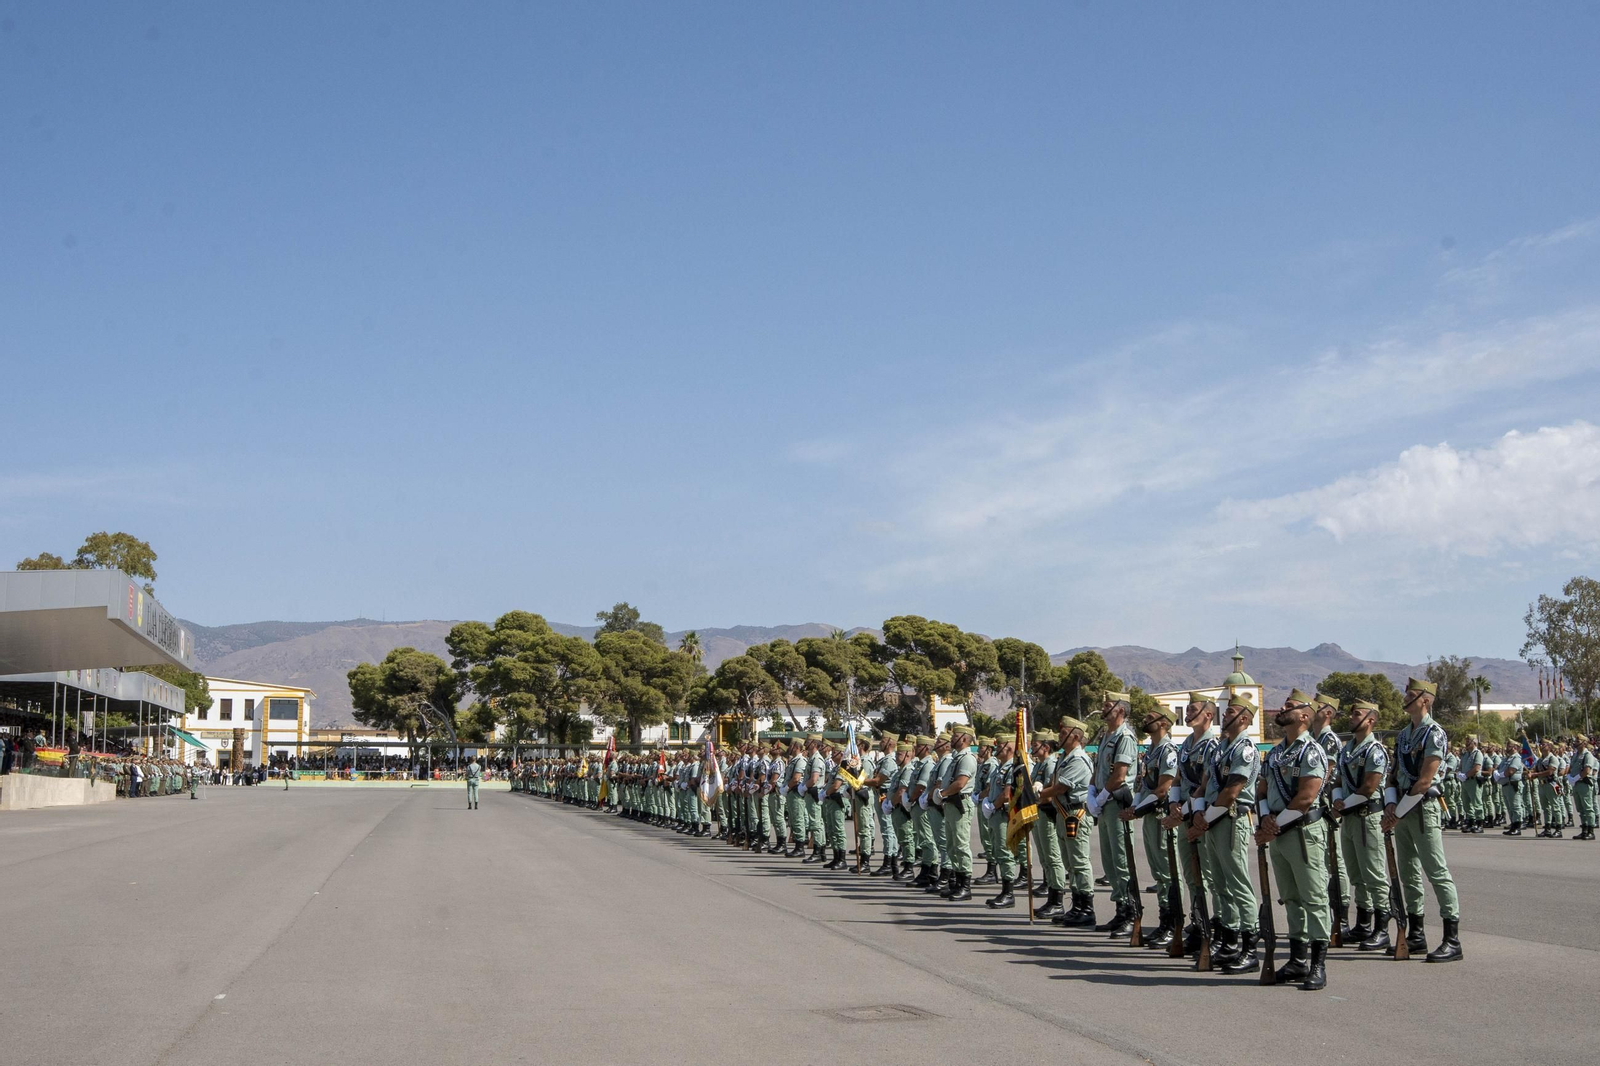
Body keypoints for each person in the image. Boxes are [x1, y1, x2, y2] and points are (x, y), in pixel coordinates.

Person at [1381, 677, 1462, 963]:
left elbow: (1425, 780)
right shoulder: (1403, 735)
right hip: (1402, 807)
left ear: (1425, 700)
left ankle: (1452, 938)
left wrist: (1396, 813)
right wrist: (1391, 804)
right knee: (1409, 871)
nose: (1405, 697)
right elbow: (1393, 774)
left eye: (1411, 694)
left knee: (1436, 871)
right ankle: (1416, 934)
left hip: (1422, 807)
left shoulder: (1434, 733)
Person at [1256, 689, 1331, 990]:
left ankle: (1318, 963)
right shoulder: (1275, 753)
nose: (1282, 708)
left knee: (1313, 897)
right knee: (1291, 898)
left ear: (1304, 716)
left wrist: (1272, 827)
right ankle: (1298, 959)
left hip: (1302, 832)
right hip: (1278, 832)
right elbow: (1261, 790)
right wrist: (1264, 819)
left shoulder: (1310, 751)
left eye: (1289, 706)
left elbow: (1305, 797)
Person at [1188, 692, 1261, 975]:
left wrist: (1202, 820)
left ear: (1244, 719)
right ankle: (1229, 941)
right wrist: (1197, 809)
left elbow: (1231, 793)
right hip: (1211, 820)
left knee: (1238, 883)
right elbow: (1204, 786)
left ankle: (1250, 945)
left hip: (1229, 820)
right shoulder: (1220, 748)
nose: (1224, 715)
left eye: (1230, 712)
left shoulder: (1245, 749)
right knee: (1220, 884)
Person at [1332, 698, 1391, 951]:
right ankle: (1363, 924)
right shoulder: (1347, 750)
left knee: (1375, 875)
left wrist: (1343, 804)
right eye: (1352, 714)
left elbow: (1369, 787)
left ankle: (1383, 928)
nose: (1351, 717)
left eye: (1357, 714)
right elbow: (1336, 780)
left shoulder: (1374, 750)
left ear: (1371, 720)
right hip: (1349, 817)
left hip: (1367, 816)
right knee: (1357, 874)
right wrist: (1336, 801)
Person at [1165, 693, 1220, 956]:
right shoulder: (1186, 743)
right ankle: (1198, 927)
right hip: (1184, 814)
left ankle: (1213, 928)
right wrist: (1174, 803)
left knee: (1207, 876)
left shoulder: (1212, 746)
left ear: (1208, 715)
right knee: (1191, 875)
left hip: (1202, 816)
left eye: (1193, 709)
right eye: (1187, 709)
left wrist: (1183, 810)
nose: (1187, 714)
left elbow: (1206, 784)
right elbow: (1178, 778)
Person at [1086, 692, 1139, 936]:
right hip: (1104, 803)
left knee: (1121, 860)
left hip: (1116, 804)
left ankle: (1131, 913)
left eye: (1108, 706)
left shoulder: (1124, 737)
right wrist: (1092, 792)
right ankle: (1120, 911)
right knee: (1109, 861)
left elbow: (1119, 775)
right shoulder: (1106, 735)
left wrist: (1102, 795)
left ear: (1121, 710)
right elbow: (1100, 770)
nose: (1103, 709)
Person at [1126, 703, 1178, 947]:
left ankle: (1172, 924)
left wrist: (1137, 810)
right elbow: (1144, 784)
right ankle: (1164, 921)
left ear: (1164, 724)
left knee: (1167, 873)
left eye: (1150, 717)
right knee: (1159, 873)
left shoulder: (1168, 750)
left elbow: (1163, 788)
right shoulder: (1151, 750)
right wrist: (1136, 806)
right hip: (1149, 816)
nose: (1145, 719)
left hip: (1160, 816)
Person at [1042, 717, 1095, 926]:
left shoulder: (1078, 759)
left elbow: (1060, 788)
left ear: (1075, 737)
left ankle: (1086, 908)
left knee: (1080, 862)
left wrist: (1038, 794)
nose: (1059, 737)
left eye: (1063, 734)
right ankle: (1077, 906)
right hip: (1064, 813)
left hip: (1075, 814)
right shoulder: (1065, 758)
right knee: (1070, 863)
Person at [937, 726, 977, 900]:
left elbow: (960, 783)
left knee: (961, 845)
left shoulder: (967, 759)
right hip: (951, 803)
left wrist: (942, 794)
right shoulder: (955, 758)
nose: (951, 738)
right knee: (952, 846)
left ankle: (965, 885)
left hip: (960, 802)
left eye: (955, 736)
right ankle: (957, 883)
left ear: (964, 739)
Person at [983, 734, 1020, 908]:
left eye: (1000, 744)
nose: (996, 746)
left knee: (1005, 854)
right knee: (998, 851)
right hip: (995, 815)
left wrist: (992, 805)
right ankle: (1005, 890)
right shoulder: (1000, 767)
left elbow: (1007, 794)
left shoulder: (1012, 768)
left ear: (1010, 747)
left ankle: (1008, 892)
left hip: (1004, 815)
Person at [1569, 735, 1597, 840]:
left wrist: (1576, 778)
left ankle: (1591, 830)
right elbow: (1572, 767)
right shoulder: (1576, 755)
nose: (1575, 742)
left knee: (1588, 808)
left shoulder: (1587, 755)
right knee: (1580, 809)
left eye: (1578, 741)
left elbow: (1587, 770)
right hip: (1576, 784)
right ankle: (1584, 829)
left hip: (1584, 783)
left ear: (1584, 743)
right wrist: (1569, 777)